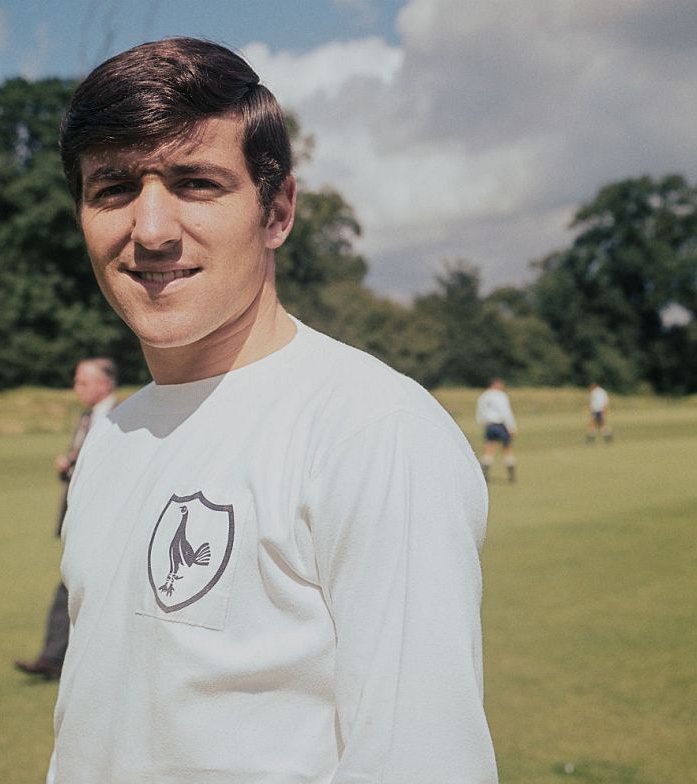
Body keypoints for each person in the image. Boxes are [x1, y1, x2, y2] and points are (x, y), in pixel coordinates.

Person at [46, 37, 497, 783]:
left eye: (196, 183)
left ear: (277, 211)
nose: (150, 231)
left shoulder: (371, 431)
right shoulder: (114, 433)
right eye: (114, 188)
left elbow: (422, 761)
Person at [15, 358, 117, 680]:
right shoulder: (88, 417)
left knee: (78, 586)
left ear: (105, 384)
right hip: (82, 517)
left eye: (83, 382)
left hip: (108, 522)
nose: (77, 389)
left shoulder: (121, 419)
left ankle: (56, 658)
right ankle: (57, 657)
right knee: (73, 584)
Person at [476, 377, 518, 483]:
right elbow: (505, 412)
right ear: (496, 384)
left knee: (489, 449)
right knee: (507, 449)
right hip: (500, 425)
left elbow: (480, 411)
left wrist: (482, 422)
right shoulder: (501, 396)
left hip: (489, 425)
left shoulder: (483, 396)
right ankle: (511, 477)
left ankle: (485, 476)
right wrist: (511, 426)